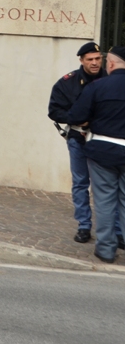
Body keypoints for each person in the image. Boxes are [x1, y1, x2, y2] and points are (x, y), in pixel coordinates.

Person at [48, 41, 121, 245]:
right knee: (81, 183)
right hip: (79, 139)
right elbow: (54, 111)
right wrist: (75, 119)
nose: (95, 63)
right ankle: (84, 226)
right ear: (81, 60)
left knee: (108, 187)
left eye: (98, 59)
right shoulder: (67, 82)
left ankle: (116, 230)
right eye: (90, 60)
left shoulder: (110, 80)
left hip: (103, 141)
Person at [66, 46, 125, 264]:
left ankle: (107, 249)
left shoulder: (98, 86)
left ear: (109, 64)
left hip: (103, 151)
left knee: (105, 200)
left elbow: (76, 115)